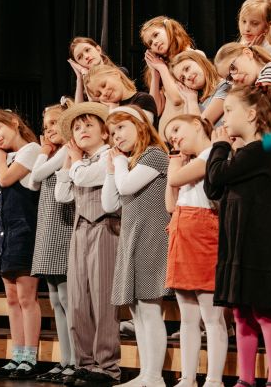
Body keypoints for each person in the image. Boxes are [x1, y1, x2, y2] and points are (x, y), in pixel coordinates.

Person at [214, 43, 271, 343]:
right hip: (269, 160)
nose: (234, 76)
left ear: (248, 53)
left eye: (234, 67)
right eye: (228, 76)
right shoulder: (262, 79)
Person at [204, 85, 271, 387]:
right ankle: (245, 379)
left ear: (252, 114)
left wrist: (219, 147)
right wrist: (222, 151)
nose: (223, 118)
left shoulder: (260, 150)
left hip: (254, 241)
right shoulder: (242, 153)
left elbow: (216, 176)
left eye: (229, 111)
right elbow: (212, 188)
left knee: (264, 312)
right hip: (235, 241)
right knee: (241, 313)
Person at [102, 105, 169, 387]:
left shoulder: (154, 155)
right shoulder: (130, 163)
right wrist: (111, 171)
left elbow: (127, 187)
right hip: (133, 236)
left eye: (121, 127)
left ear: (140, 125)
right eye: (112, 132)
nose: (116, 136)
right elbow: (109, 204)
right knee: (137, 309)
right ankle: (146, 374)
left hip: (152, 235)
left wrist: (118, 164)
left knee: (150, 307)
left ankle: (155, 376)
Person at [54, 102, 119, 386]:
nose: (82, 130)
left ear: (104, 133)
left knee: (102, 300)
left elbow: (83, 177)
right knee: (78, 300)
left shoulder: (109, 156)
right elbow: (62, 195)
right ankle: (84, 363)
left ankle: (107, 366)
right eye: (77, 127)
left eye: (89, 125)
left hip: (105, 227)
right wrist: (69, 161)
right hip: (80, 230)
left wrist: (74, 160)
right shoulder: (80, 161)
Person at [163, 115, 228, 387]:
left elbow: (175, 178)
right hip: (183, 232)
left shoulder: (211, 154)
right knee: (188, 317)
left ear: (198, 125)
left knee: (211, 315)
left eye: (177, 129)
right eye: (170, 137)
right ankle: (188, 377)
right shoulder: (188, 163)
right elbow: (170, 205)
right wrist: (176, 166)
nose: (174, 138)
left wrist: (174, 164)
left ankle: (214, 379)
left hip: (204, 234)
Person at [0, 110, 43, 379]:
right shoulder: (3, 158)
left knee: (27, 297)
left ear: (14, 123)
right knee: (11, 298)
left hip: (24, 231)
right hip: (4, 233)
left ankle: (30, 356)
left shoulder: (31, 150)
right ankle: (17, 354)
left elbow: (7, 180)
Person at [29, 99, 78, 383]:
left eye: (55, 123)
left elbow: (36, 175)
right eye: (46, 125)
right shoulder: (53, 154)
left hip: (64, 223)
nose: (49, 130)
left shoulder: (67, 151)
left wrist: (43, 152)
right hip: (48, 225)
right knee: (55, 298)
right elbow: (32, 183)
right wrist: (45, 152)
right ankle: (64, 359)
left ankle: (76, 360)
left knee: (68, 297)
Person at [139, 17, 196, 123]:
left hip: (186, 127)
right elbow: (156, 110)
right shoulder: (162, 67)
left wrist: (161, 68)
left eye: (156, 35)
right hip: (165, 131)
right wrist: (154, 72)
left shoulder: (193, 56)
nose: (155, 42)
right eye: (150, 43)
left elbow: (177, 99)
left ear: (168, 28)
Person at [168, 50, 230, 127]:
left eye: (187, 68)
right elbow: (188, 128)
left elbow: (198, 128)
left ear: (199, 61)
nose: (187, 77)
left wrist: (191, 100)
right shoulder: (198, 102)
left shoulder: (226, 86)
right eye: (183, 78)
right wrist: (187, 100)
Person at [85, 64, 159, 127]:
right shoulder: (109, 111)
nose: (104, 93)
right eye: (99, 94)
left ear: (116, 75)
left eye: (104, 85)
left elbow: (138, 128)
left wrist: (114, 111)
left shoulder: (143, 98)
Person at [68, 37, 122, 103]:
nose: (86, 56)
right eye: (80, 57)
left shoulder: (119, 72)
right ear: (79, 64)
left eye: (87, 50)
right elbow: (79, 109)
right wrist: (79, 77)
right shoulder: (85, 86)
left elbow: (94, 103)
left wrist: (85, 74)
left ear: (98, 50)